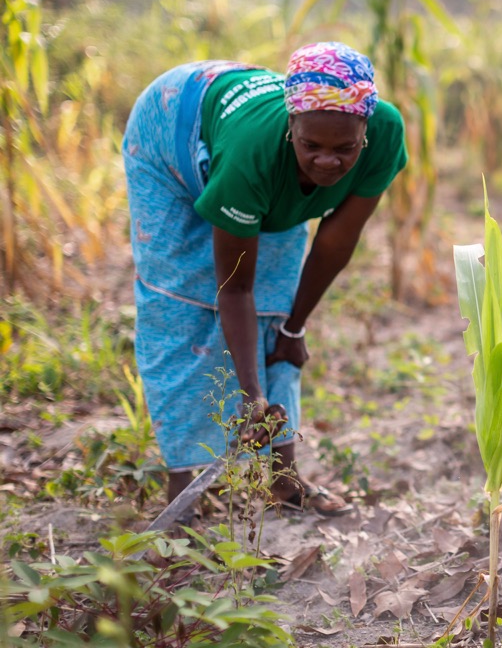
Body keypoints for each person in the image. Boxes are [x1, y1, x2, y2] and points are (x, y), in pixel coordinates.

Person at [123, 42, 407, 519]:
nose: (328, 163)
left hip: (249, 155)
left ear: (366, 130)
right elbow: (234, 288)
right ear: (289, 126)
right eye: (311, 146)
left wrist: (294, 329)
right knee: (180, 308)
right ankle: (183, 489)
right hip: (170, 127)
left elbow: (335, 242)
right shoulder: (252, 155)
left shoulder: (385, 132)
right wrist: (251, 396)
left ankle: (282, 480)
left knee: (276, 307)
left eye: (345, 148)